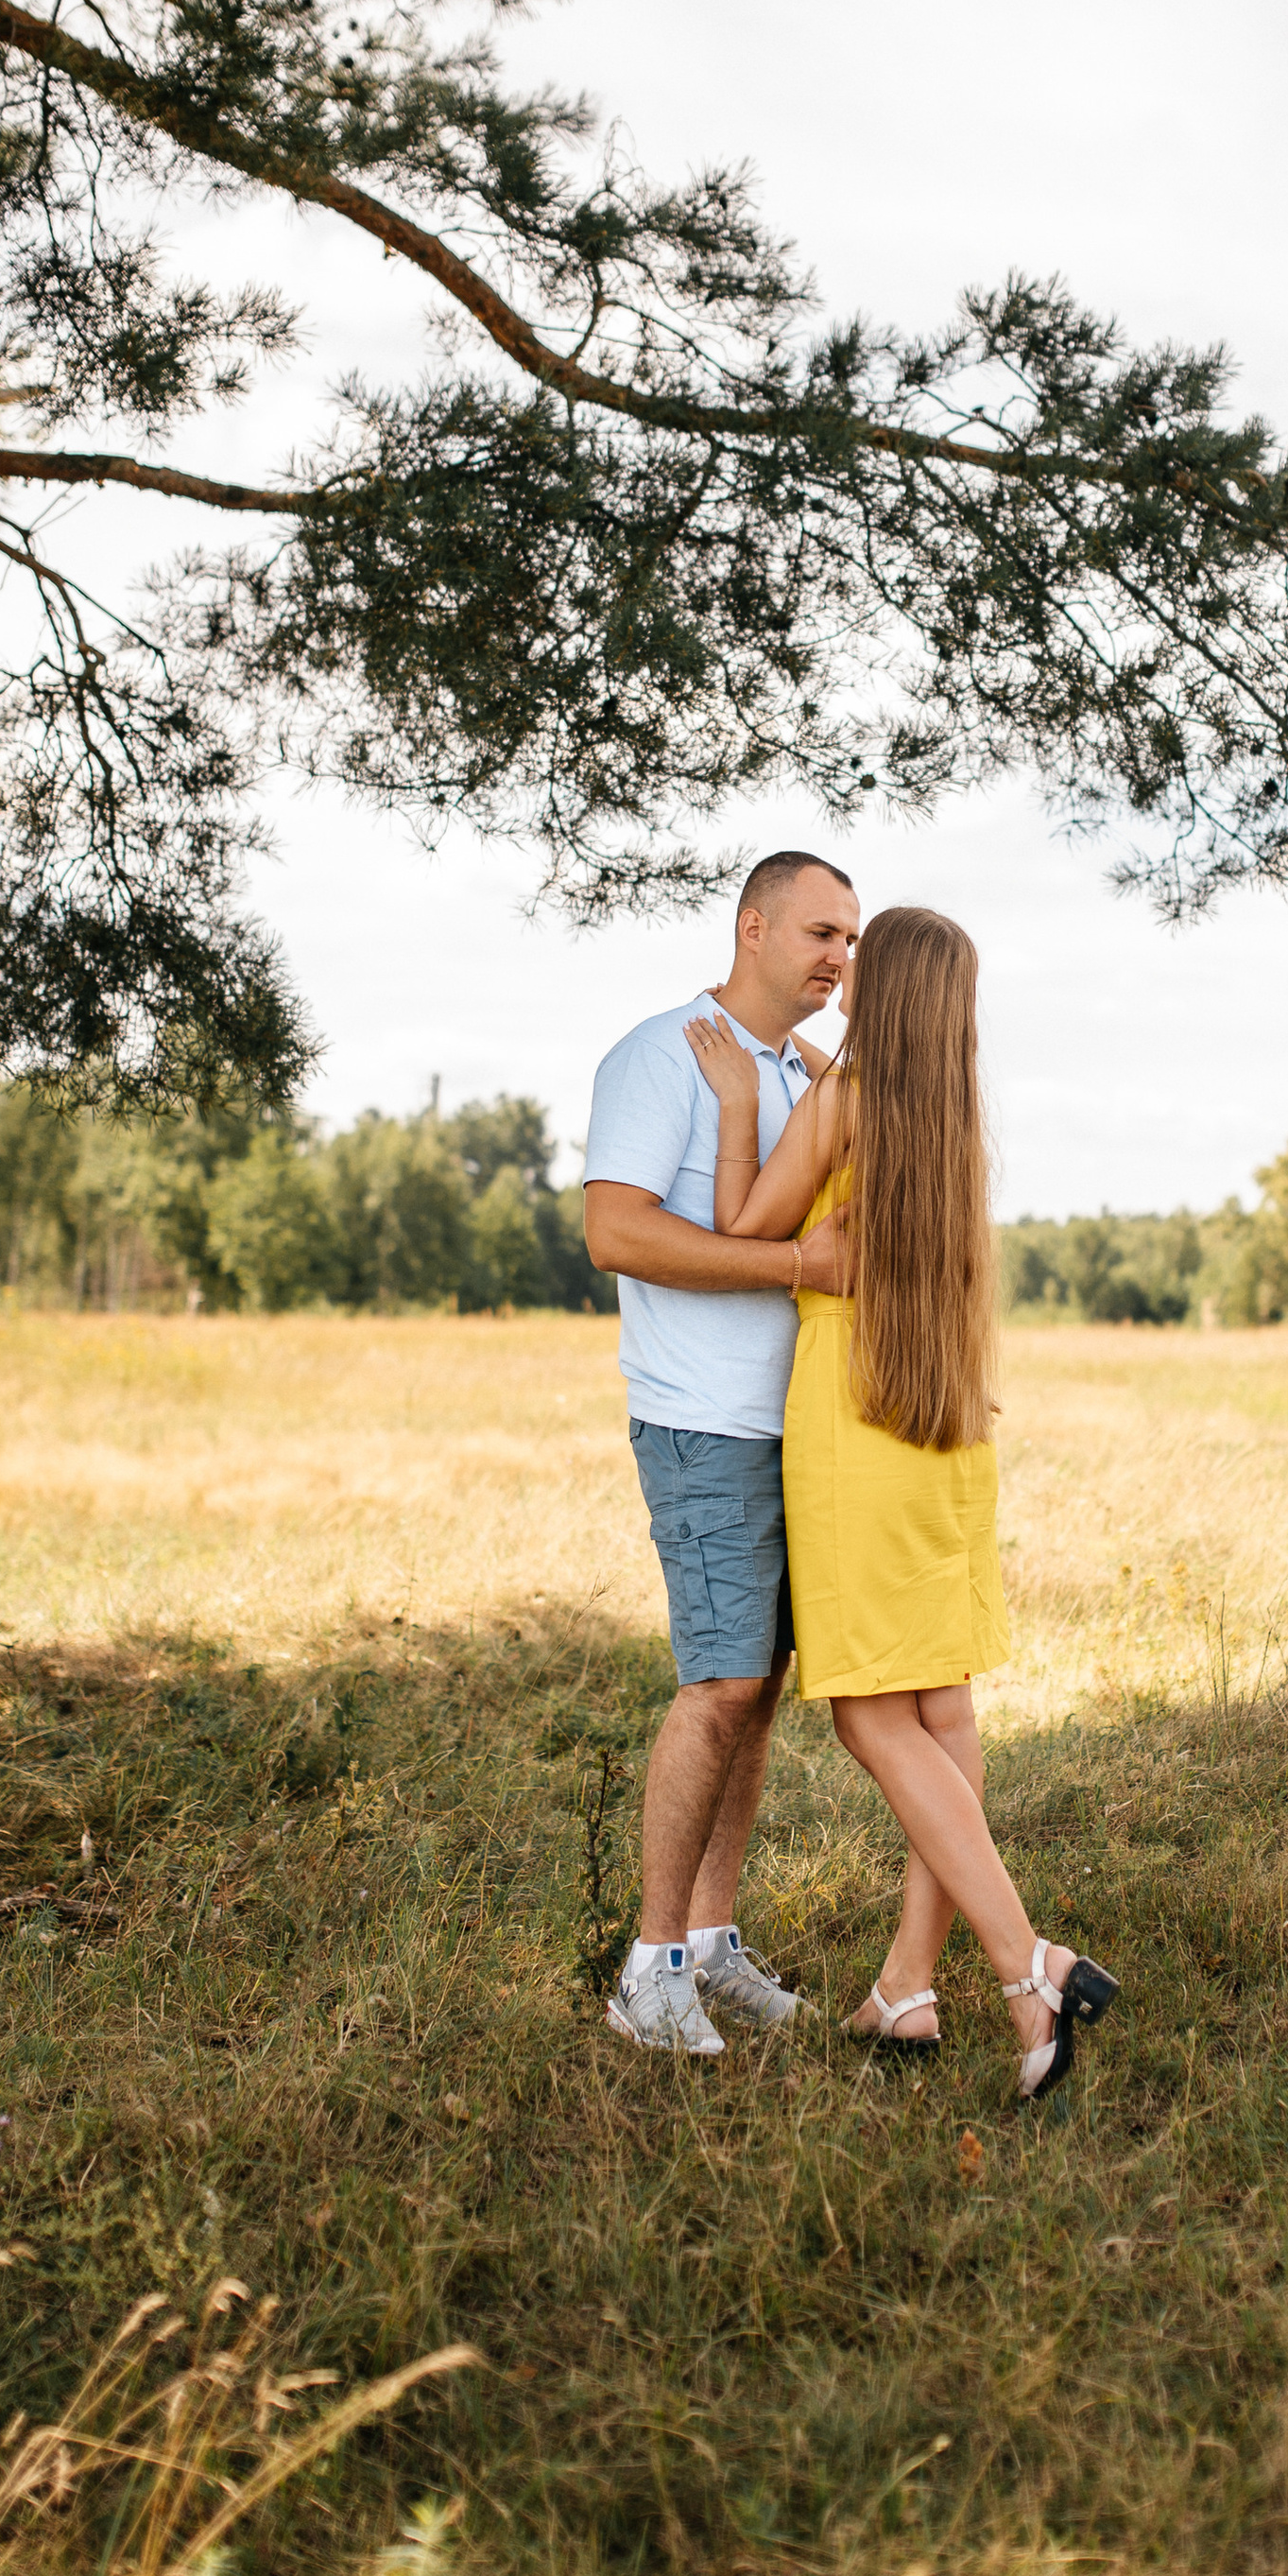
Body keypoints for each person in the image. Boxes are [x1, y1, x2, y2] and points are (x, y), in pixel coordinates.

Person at [686, 904, 1119, 2101]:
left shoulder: (848, 1098)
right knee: (941, 1706)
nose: (844, 965)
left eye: (861, 955)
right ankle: (903, 1988)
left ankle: (1026, 1962)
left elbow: (744, 1227)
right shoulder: (947, 1121)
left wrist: (737, 1107)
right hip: (944, 1438)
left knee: (871, 1717)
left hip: (857, 1434)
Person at [580, 852, 861, 2053]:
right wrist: (798, 1265)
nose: (839, 957)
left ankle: (708, 1942)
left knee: (761, 1688)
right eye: (818, 931)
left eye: (850, 939)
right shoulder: (662, 1053)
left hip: (798, 1422)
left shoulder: (799, 1072)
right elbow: (615, 1230)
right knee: (721, 1684)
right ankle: (648, 1969)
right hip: (702, 1418)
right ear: (751, 926)